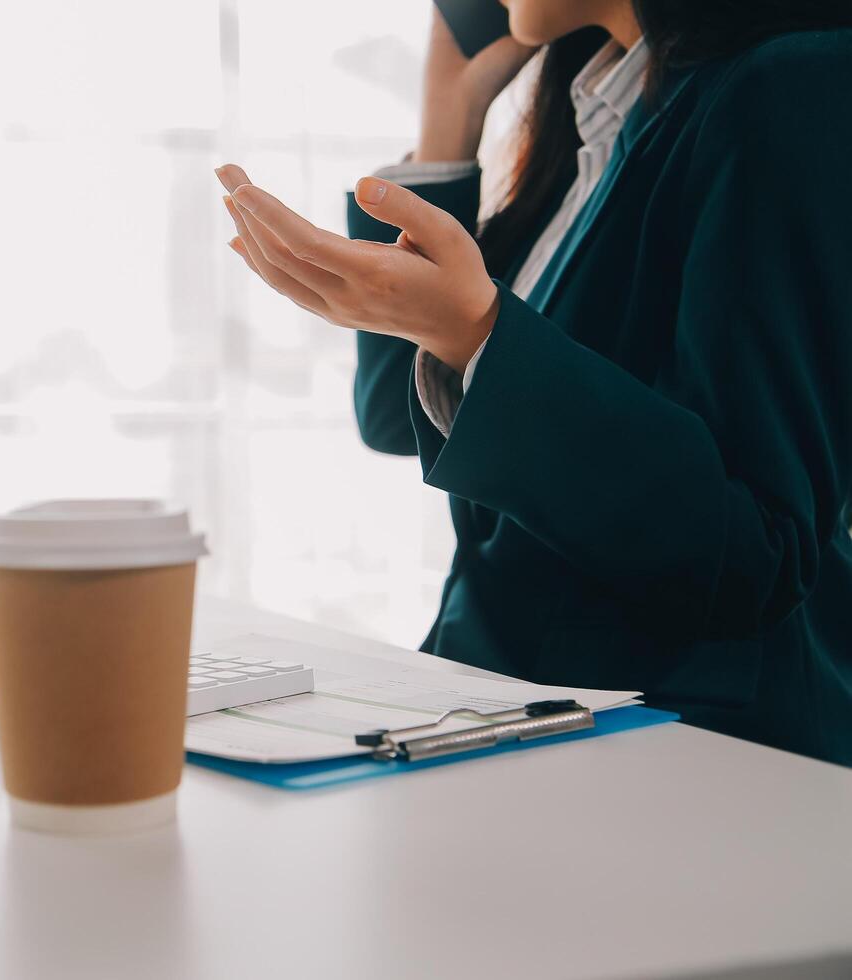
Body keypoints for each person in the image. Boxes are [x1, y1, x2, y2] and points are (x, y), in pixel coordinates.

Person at [214, 0, 852, 766]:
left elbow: (758, 552)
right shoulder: (612, 113)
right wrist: (448, 117)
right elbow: (393, 415)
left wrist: (475, 333)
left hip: (685, 768)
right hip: (507, 723)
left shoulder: (792, 84)